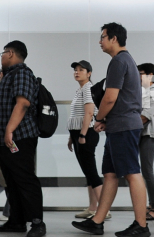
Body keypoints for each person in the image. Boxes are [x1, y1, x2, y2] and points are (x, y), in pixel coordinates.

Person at [73, 22, 149, 237]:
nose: (100, 41)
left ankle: (141, 225)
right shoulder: (126, 60)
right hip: (119, 124)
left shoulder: (118, 61)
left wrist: (99, 116)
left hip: (124, 126)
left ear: (114, 39)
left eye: (103, 37)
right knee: (110, 173)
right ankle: (97, 221)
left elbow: (111, 96)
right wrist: (107, 120)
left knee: (132, 173)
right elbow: (122, 98)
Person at [0, 40, 46, 237]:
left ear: (11, 53)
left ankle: (38, 223)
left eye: (3, 53)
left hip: (19, 137)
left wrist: (9, 130)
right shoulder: (10, 75)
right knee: (12, 181)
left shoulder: (22, 73)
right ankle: (16, 221)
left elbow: (22, 103)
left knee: (25, 180)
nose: (2, 56)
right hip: (6, 140)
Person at [67, 60, 104, 219]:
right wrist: (72, 137)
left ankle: (104, 210)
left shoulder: (88, 88)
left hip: (86, 133)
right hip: (78, 134)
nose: (77, 72)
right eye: (75, 70)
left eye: (81, 70)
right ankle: (92, 207)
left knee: (91, 172)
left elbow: (89, 113)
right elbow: (78, 115)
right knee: (88, 172)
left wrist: (81, 135)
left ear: (89, 73)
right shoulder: (80, 89)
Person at [138, 63, 154, 223]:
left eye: (141, 73)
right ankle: (152, 206)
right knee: (145, 171)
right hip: (143, 134)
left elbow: (144, 117)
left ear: (150, 75)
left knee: (147, 171)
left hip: (150, 134)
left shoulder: (153, 93)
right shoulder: (144, 92)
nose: (138, 76)